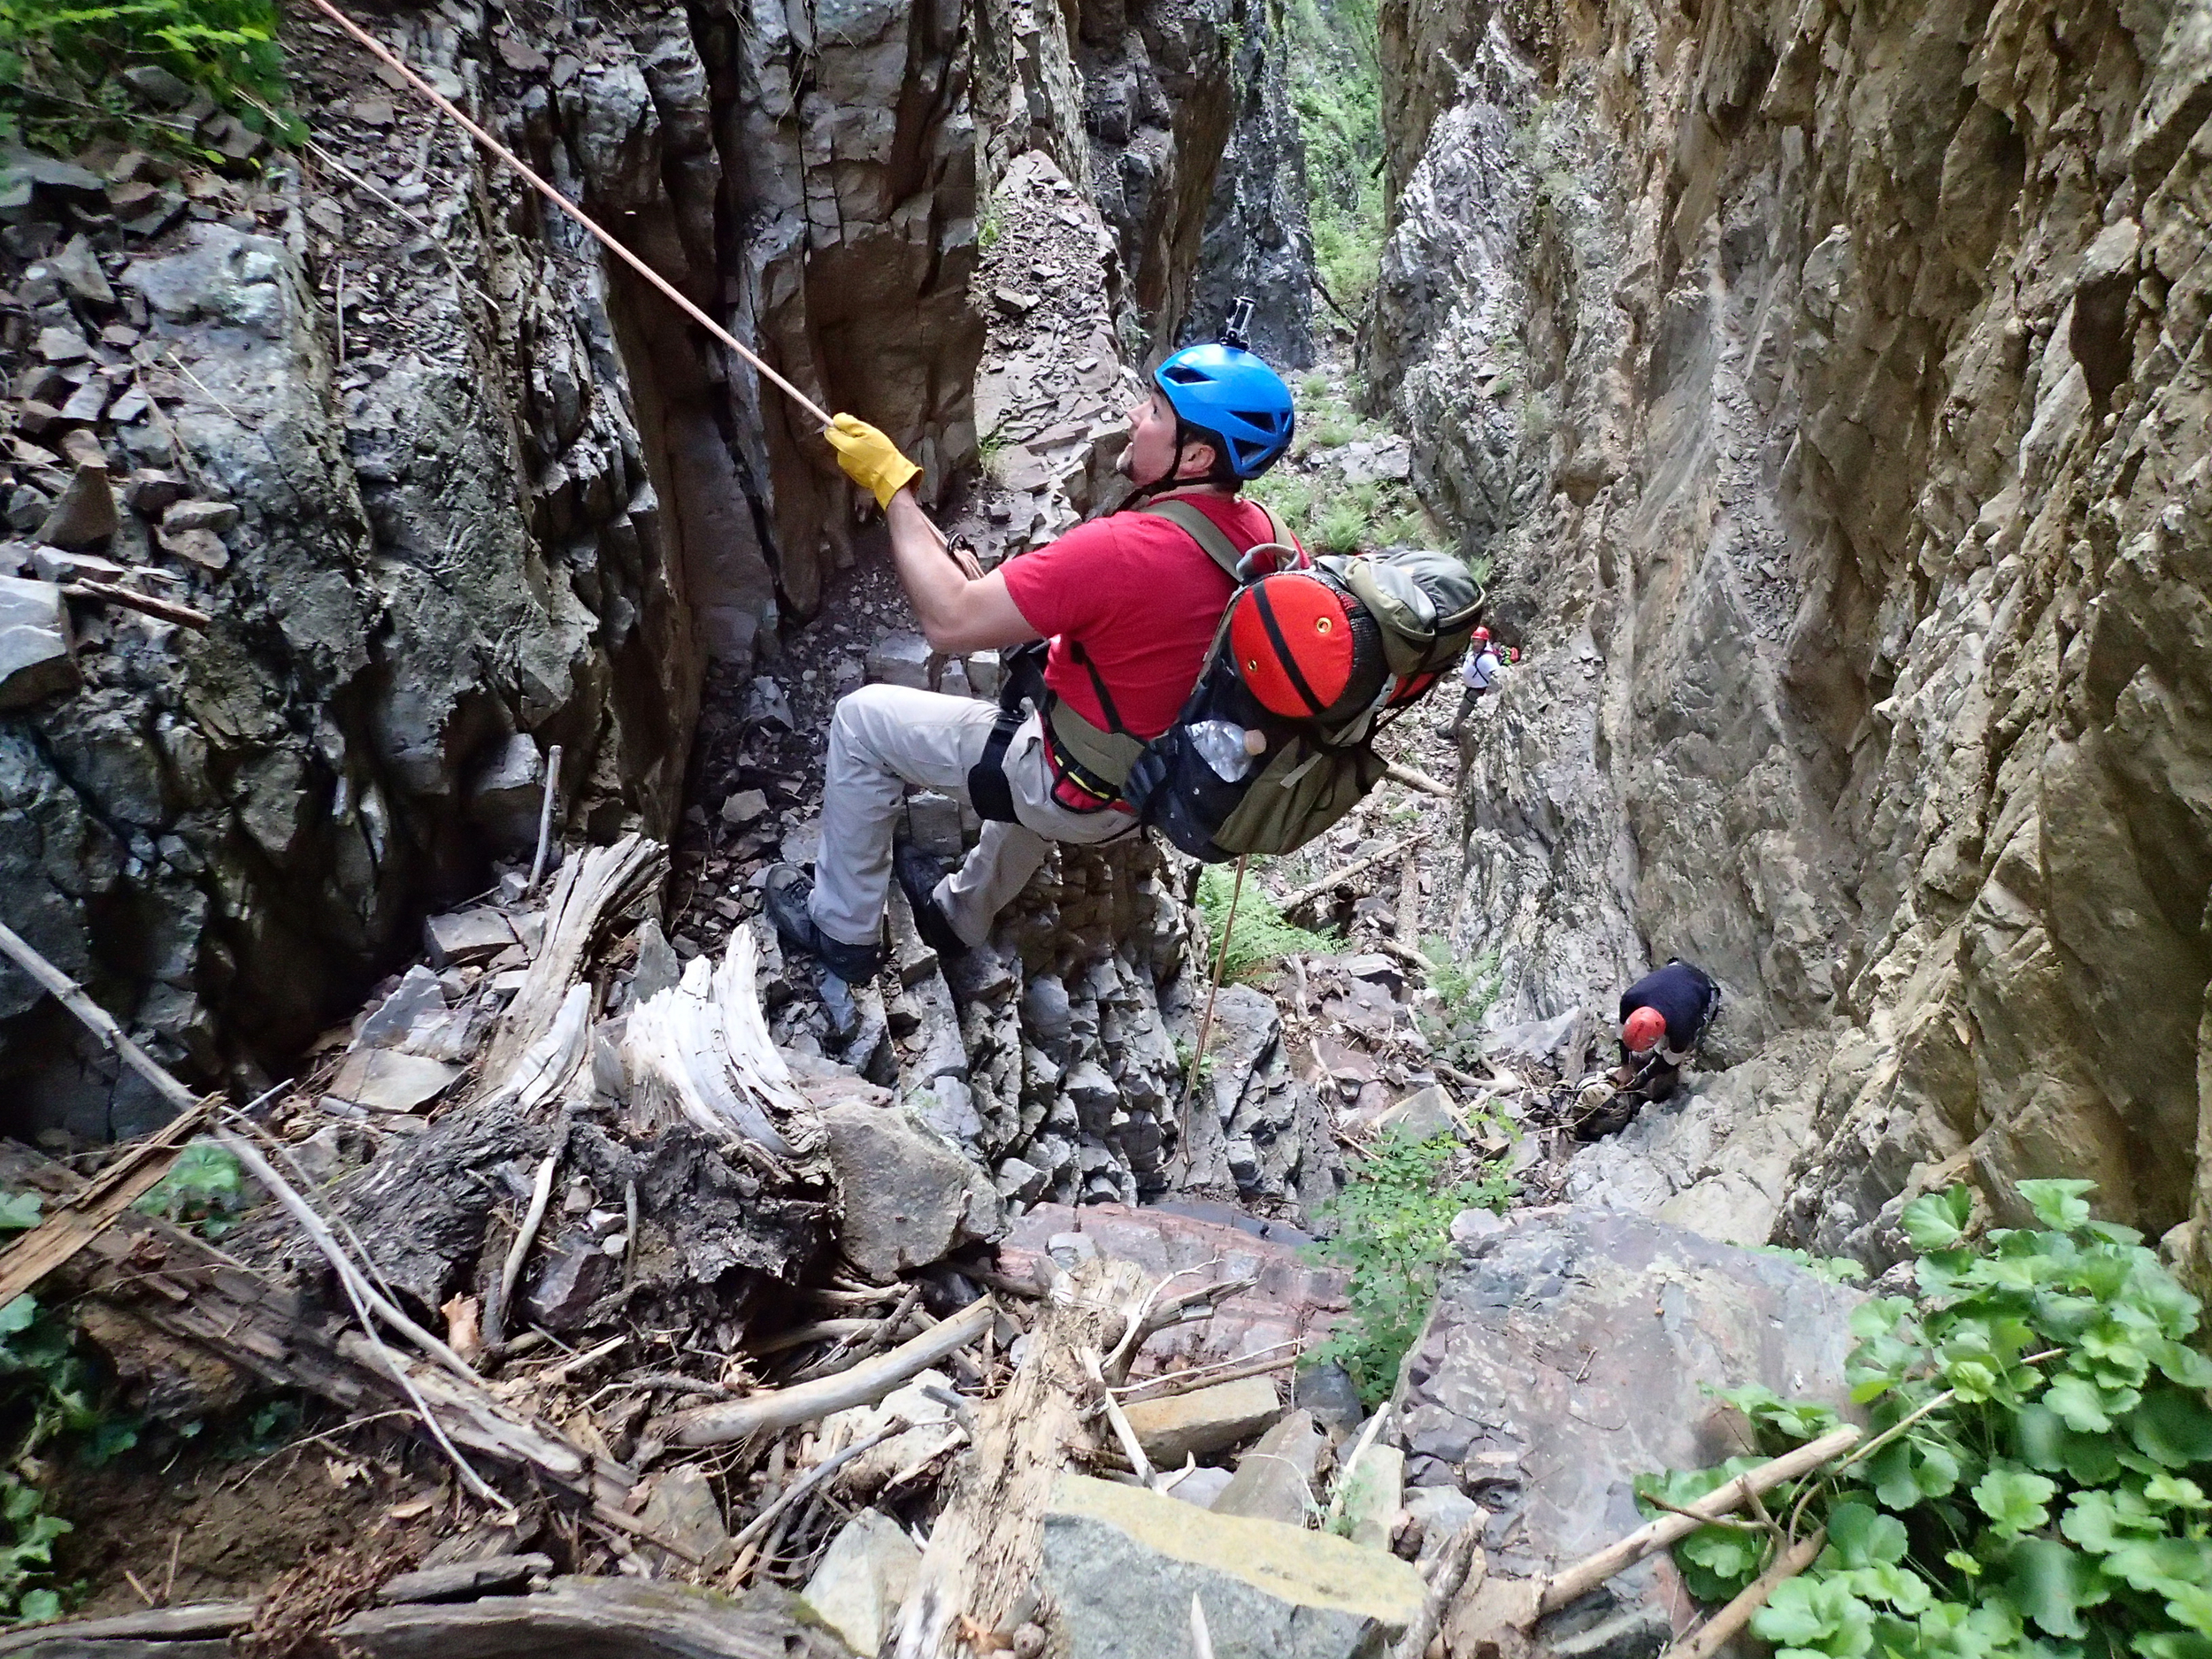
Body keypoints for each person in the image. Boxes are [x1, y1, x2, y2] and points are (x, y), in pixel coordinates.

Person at [761, 329, 1301, 983]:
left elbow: (949, 620)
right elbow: (1155, 637)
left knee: (861, 722)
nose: (1136, 416)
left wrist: (891, 488)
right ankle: (959, 915)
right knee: (1044, 743)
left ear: (1196, 456)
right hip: (1152, 788)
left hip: (1076, 786)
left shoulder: (1123, 549)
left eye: (1156, 411)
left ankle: (842, 931)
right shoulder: (1269, 545)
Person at [1613, 958, 1722, 1102]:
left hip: (1704, 986)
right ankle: (1648, 1059)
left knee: (1691, 1043)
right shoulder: (1630, 999)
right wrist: (1624, 1065)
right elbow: (1621, 1030)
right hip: (1676, 968)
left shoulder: (1680, 1026)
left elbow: (1672, 1058)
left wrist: (1643, 1077)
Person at [1448, 626, 1503, 741]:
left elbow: (1498, 676)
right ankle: (1456, 732)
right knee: (1464, 712)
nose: (1476, 644)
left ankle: (1455, 733)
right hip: (1472, 689)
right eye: (1474, 641)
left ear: (1485, 642)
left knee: (1464, 712)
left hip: (1479, 691)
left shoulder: (1488, 658)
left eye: (1479, 641)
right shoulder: (1473, 653)